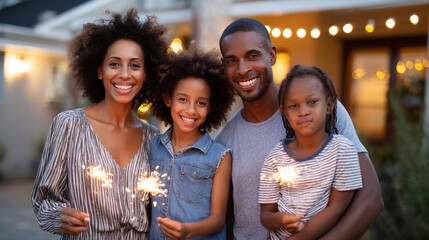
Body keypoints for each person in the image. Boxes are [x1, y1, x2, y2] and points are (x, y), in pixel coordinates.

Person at [216, 18, 383, 240]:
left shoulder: (322, 111)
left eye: (253, 56)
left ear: (272, 55)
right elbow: (226, 220)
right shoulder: (223, 143)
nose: (243, 69)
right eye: (231, 60)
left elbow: (371, 197)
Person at [31, 9, 168, 239]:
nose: (124, 74)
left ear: (146, 74)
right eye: (114, 64)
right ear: (99, 71)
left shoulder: (152, 137)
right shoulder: (69, 125)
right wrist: (61, 217)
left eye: (135, 65)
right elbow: (43, 200)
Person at [259, 64, 362, 239]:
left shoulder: (342, 151)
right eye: (294, 106)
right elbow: (266, 216)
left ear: (329, 105)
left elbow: (336, 209)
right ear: (283, 112)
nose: (303, 112)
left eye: (312, 102)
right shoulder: (275, 158)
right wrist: (280, 220)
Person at [148, 49, 236, 239]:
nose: (191, 110)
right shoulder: (153, 146)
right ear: (167, 99)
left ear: (211, 107)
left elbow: (219, 218)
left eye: (201, 103)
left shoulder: (220, 156)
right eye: (183, 99)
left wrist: (187, 231)